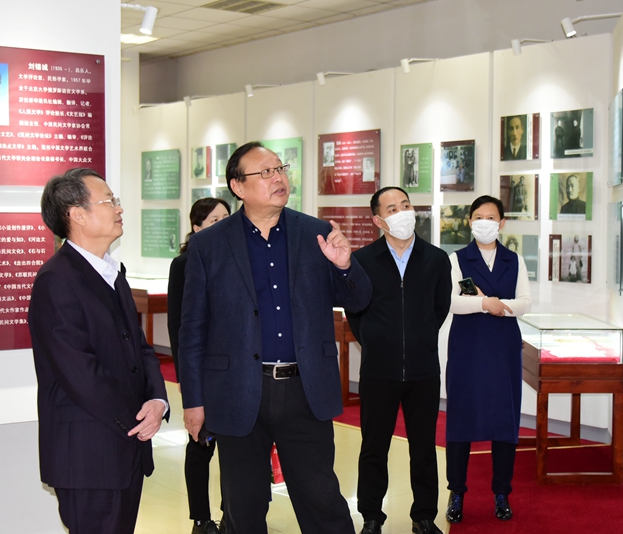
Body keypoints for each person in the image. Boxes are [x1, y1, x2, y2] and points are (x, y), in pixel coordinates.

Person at [179, 142, 372, 534]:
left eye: (280, 169)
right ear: (238, 186)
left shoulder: (316, 233)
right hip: (237, 391)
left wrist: (345, 265)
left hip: (304, 390)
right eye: (265, 172)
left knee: (323, 503)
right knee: (243, 508)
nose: (278, 178)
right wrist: (194, 401)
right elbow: (193, 329)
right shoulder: (209, 245)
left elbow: (360, 300)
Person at [28, 168, 169, 533]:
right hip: (89, 454)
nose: (119, 208)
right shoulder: (56, 280)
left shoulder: (111, 272)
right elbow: (81, 374)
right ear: (77, 215)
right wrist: (136, 418)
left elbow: (139, 347)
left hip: (124, 447)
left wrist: (157, 401)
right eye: (109, 201)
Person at [346, 186, 452, 534]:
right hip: (379, 370)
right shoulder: (363, 260)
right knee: (374, 447)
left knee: (423, 448)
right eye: (392, 208)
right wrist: (377, 341)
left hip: (424, 370)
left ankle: (424, 516)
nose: (402, 212)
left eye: (405, 205)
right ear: (378, 220)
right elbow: (355, 312)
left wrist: (420, 338)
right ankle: (371, 516)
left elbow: (440, 307)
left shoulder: (436, 259)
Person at [443, 195, 531, 526]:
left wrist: (499, 306)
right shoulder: (457, 259)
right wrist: (485, 304)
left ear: (502, 223)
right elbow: (450, 301)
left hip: (503, 349)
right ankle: (456, 493)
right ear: (470, 222)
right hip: (467, 349)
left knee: (504, 422)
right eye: (478, 217)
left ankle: (501, 493)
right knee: (460, 422)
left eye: (491, 217)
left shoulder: (514, 260)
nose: (484, 222)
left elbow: (526, 302)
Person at [167, 197, 231, 534]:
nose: (222, 225)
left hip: (235, 371)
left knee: (237, 449)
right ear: (197, 227)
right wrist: (185, 377)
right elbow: (178, 325)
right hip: (202, 371)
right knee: (201, 446)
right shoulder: (183, 264)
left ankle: (232, 512)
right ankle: (201, 518)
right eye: (213, 220)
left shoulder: (238, 258)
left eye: (226, 218)